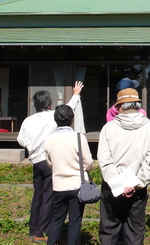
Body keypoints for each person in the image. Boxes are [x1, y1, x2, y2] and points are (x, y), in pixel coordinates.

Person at [17, 81, 83, 241]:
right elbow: (69, 109)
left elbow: (20, 140)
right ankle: (40, 232)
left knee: (37, 195)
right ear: (49, 103)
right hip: (47, 161)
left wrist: (31, 148)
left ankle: (33, 229)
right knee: (48, 196)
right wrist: (76, 94)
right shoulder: (52, 117)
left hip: (35, 161)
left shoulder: (28, 120)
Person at [97, 88, 150, 244]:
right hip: (138, 189)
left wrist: (119, 184)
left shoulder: (108, 128)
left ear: (119, 107)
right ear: (138, 106)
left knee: (109, 230)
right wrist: (136, 182)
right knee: (135, 231)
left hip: (112, 188)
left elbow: (104, 160)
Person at [44, 104, 93, 245]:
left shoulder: (49, 139)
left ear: (56, 120)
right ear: (72, 120)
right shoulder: (79, 137)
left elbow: (49, 162)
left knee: (57, 219)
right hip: (77, 184)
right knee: (75, 221)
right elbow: (88, 162)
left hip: (59, 185)